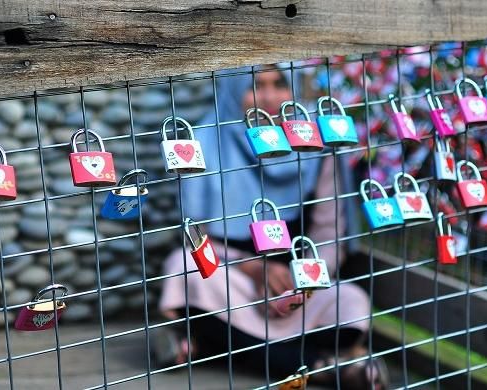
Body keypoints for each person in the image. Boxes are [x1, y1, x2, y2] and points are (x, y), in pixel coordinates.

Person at [152, 65, 388, 389]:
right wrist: (254, 270)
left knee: (350, 301)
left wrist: (300, 281)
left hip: (296, 280)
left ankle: (208, 346)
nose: (269, 97)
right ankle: (319, 365)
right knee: (182, 269)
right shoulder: (202, 141)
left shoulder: (314, 145)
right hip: (233, 278)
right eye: (255, 86)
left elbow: (328, 232)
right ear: (234, 90)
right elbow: (196, 238)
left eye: (279, 84)